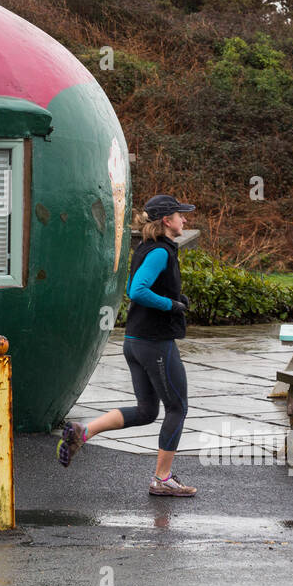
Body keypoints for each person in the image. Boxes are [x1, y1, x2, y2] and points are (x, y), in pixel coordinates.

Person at [57, 194, 197, 496]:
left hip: (135, 342)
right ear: (166, 221)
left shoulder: (149, 248)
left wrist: (176, 300)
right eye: (180, 215)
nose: (184, 220)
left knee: (147, 410)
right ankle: (162, 478)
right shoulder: (160, 251)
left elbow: (150, 288)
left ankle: (84, 432)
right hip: (155, 343)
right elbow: (138, 291)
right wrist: (171, 306)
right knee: (177, 407)